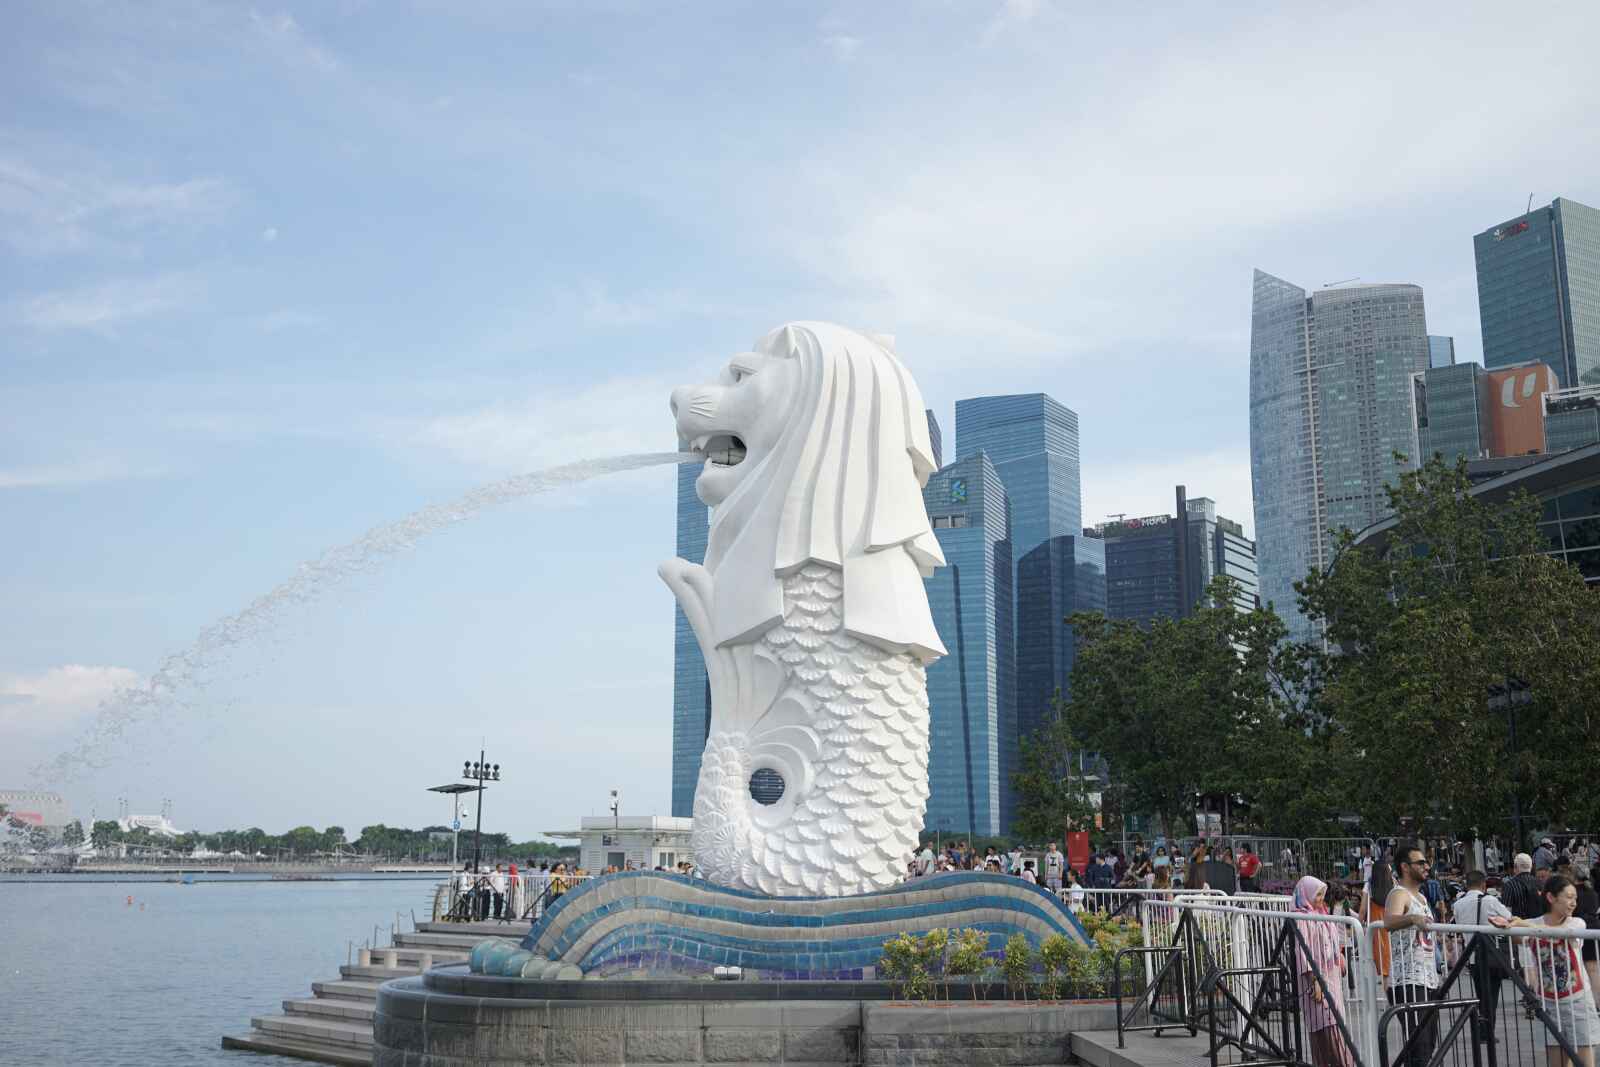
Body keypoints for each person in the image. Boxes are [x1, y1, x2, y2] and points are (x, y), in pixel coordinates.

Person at [1493, 875, 1600, 1067]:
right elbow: (1516, 938)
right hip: (1550, 1004)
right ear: (1551, 898)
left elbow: (1557, 933)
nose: (1573, 902)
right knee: (1557, 1063)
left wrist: (1522, 924)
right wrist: (1507, 926)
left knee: (1585, 1062)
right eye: (1568, 897)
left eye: (1575, 898)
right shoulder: (1533, 922)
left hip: (1578, 1002)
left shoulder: (1577, 923)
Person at [1385, 843, 1441, 1067]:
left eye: (1426, 862)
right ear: (1405, 867)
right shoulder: (1399, 893)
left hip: (1427, 979)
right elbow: (1389, 921)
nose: (1426, 866)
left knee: (1426, 1046)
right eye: (1420, 862)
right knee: (1420, 1047)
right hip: (1408, 981)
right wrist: (1412, 919)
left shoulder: (1423, 898)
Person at [1293, 876, 1355, 1067]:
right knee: (1329, 1029)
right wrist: (1314, 979)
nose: (1320, 898)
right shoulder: (1302, 917)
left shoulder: (1321, 913)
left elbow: (1331, 942)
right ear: (1306, 894)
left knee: (1330, 1028)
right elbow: (1303, 951)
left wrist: (1340, 959)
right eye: (1317, 894)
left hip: (1331, 978)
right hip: (1317, 982)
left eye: (1322, 894)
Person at [1454, 870, 1516, 1042]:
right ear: (1483, 885)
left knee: (1480, 993)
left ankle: (1482, 1029)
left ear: (1467, 884)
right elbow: (1509, 918)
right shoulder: (1490, 900)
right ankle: (1486, 1031)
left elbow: (1459, 927)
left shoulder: (1458, 904)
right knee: (1491, 996)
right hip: (1490, 954)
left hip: (1471, 955)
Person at [1505, 854, 1547, 920]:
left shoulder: (1510, 885)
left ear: (1515, 867)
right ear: (1531, 867)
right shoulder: (1540, 883)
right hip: (1537, 925)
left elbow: (1506, 911)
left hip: (1519, 926)